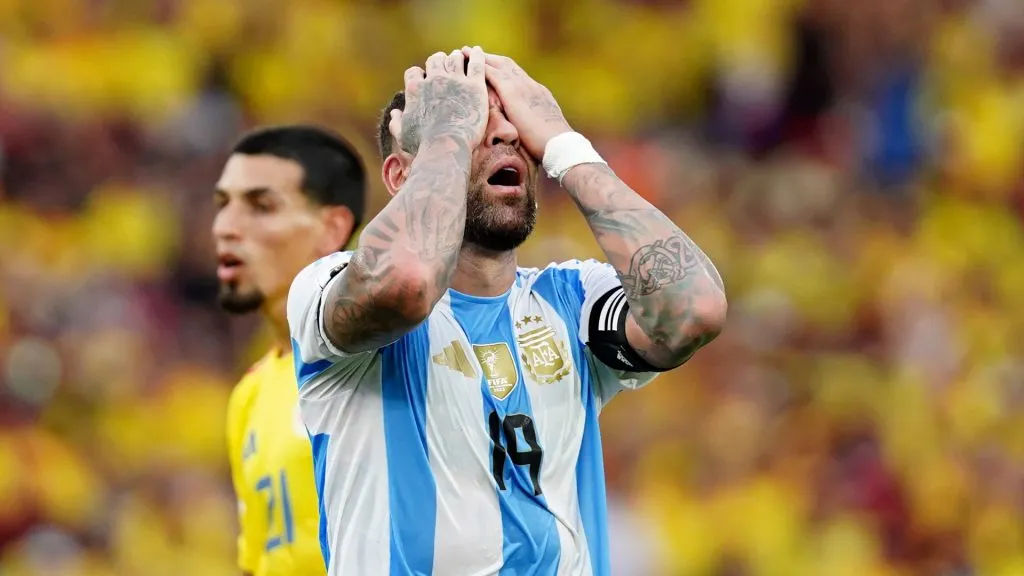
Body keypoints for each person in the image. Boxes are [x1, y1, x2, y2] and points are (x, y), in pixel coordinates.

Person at [287, 47, 726, 575]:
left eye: (515, 124)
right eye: (477, 124)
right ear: (401, 174)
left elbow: (693, 309)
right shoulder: (329, 286)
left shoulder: (572, 302)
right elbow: (406, 282)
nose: (507, 135)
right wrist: (449, 134)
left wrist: (567, 145)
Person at [214, 125, 366, 576]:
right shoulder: (250, 394)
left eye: (261, 206)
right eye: (223, 205)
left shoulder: (382, 363)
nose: (225, 228)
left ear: (331, 228)